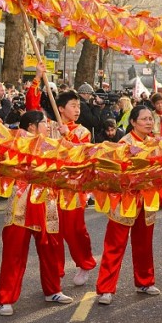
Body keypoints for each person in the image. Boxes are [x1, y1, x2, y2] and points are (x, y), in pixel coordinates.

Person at [0, 111, 73, 316]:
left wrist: (67, 137)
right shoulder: (16, 141)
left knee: (51, 248)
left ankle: (53, 290)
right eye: (44, 123)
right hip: (21, 203)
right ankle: (6, 299)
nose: (48, 127)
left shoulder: (51, 144)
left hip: (46, 202)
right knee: (14, 253)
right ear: (31, 126)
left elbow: (72, 156)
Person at [96, 105, 160, 305]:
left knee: (144, 242)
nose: (149, 122)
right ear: (133, 122)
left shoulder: (155, 143)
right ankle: (106, 288)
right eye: (144, 119)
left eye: (151, 118)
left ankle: (145, 281)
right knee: (115, 243)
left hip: (147, 198)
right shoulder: (124, 143)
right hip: (125, 199)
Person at [54, 90, 98, 285]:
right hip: (52, 187)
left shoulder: (83, 132)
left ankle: (85, 263)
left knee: (75, 230)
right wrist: (37, 79)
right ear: (61, 109)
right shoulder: (49, 127)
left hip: (73, 189)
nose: (77, 110)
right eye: (73, 106)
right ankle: (55, 271)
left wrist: (68, 136)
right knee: (53, 232)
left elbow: (81, 156)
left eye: (78, 106)